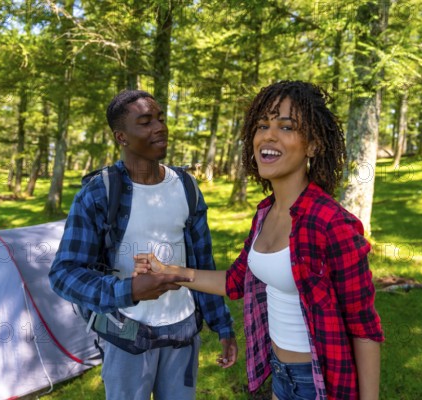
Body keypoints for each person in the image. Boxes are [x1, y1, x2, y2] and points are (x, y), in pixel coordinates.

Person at [134, 81, 385, 400]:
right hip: (279, 374)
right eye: (262, 125)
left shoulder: (332, 224)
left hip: (320, 381)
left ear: (313, 145)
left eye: (286, 126)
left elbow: (363, 328)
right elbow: (237, 281)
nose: (268, 134)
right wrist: (169, 272)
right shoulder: (265, 214)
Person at [49, 89, 238, 400]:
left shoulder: (187, 187)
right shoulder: (99, 193)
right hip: (126, 333)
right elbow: (64, 273)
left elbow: (203, 263)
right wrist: (129, 291)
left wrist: (223, 326)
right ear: (121, 137)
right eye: (146, 122)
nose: (160, 127)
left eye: (161, 119)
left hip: (182, 332)